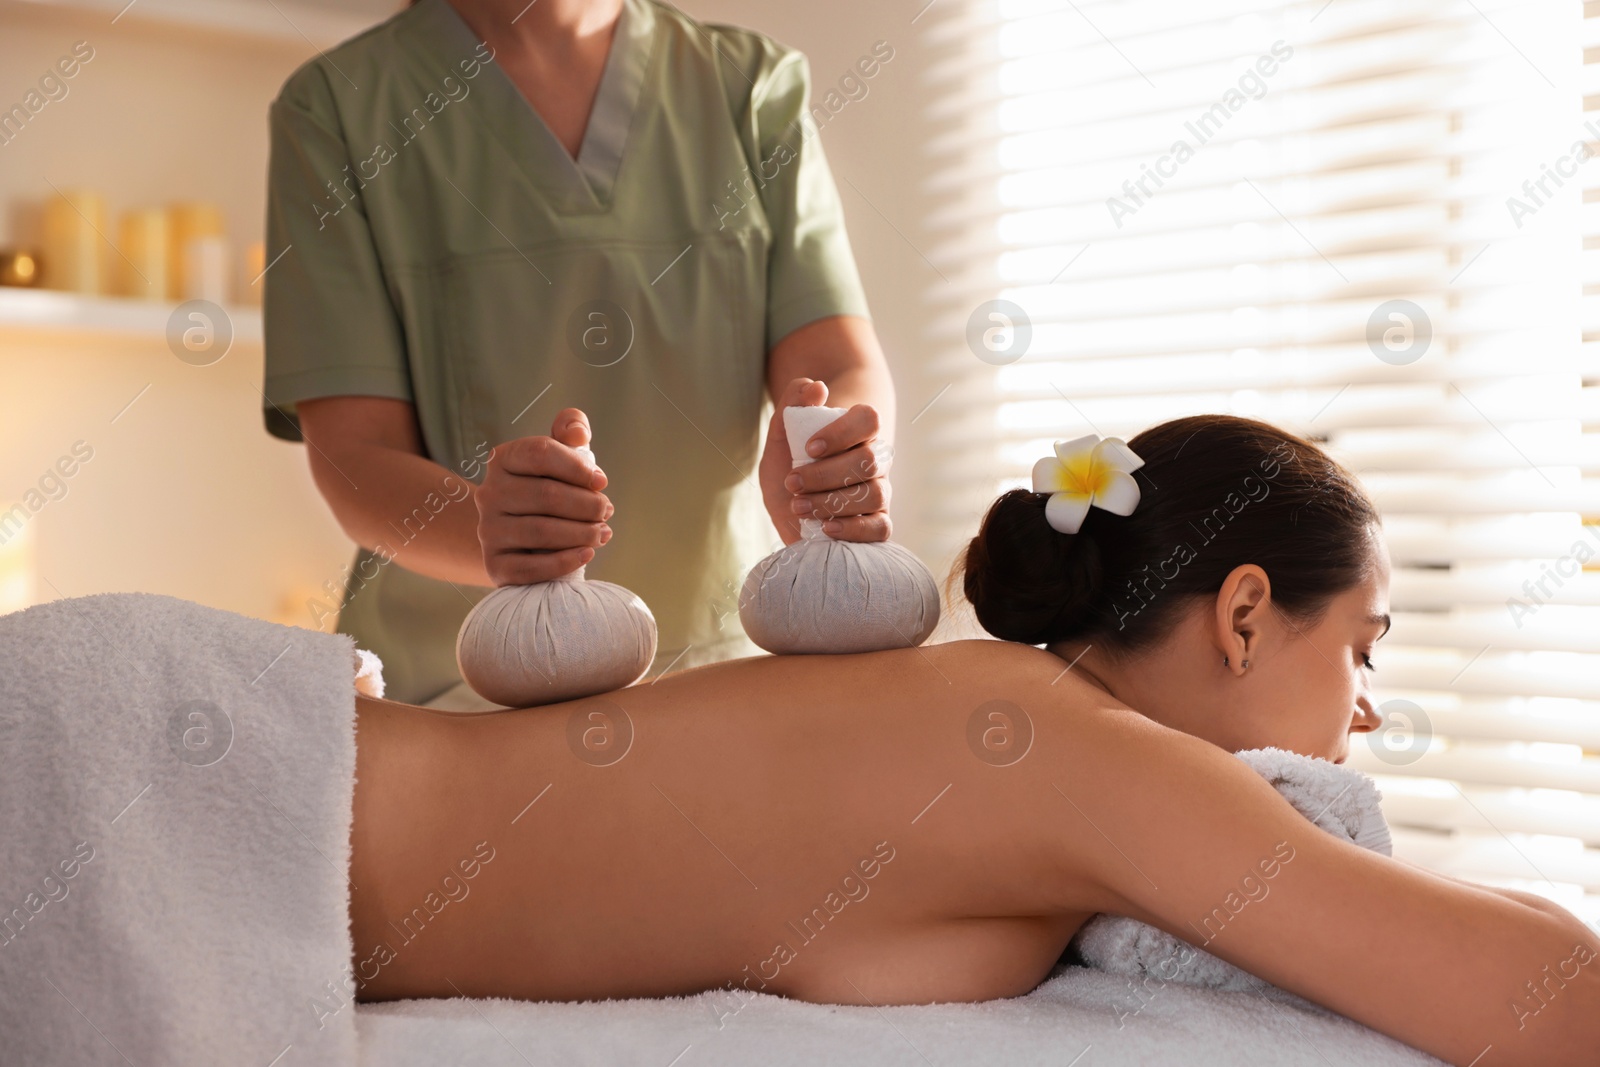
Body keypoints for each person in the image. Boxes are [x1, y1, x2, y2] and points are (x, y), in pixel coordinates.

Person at [344, 415, 1600, 1067]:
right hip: (291, 801)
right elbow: (1557, 1000)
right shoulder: (1094, 760)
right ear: (1246, 613)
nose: (1364, 711)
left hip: (326, 789)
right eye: (1363, 650)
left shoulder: (1012, 711)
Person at [261, 0, 897, 706]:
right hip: (457, 704)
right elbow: (355, 453)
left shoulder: (750, 87)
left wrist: (829, 451)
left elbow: (836, 357)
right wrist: (490, 531)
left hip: (720, 684)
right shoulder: (337, 110)